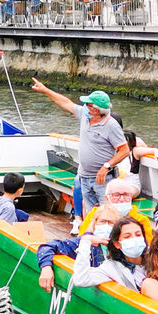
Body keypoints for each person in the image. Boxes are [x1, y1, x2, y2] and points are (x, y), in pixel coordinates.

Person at [29, 79, 129, 220]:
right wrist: (46, 90)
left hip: (103, 180)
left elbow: (124, 150)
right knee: (91, 215)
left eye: (88, 104)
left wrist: (106, 166)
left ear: (96, 110)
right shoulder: (85, 115)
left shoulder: (111, 126)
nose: (85, 106)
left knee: (108, 216)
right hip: (85, 176)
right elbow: (65, 103)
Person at [37, 204, 121, 290]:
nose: (106, 226)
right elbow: (47, 247)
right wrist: (46, 267)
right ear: (94, 223)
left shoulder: (120, 245)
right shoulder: (82, 241)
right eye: (102, 222)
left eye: (110, 223)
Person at [70, 215, 149, 293]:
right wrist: (85, 242)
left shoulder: (155, 258)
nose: (134, 239)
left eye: (138, 235)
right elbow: (81, 280)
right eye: (127, 237)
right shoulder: (111, 268)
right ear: (117, 244)